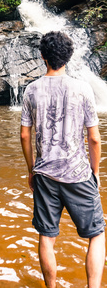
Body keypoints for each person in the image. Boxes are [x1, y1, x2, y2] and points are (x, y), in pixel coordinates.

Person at [20, 30, 106, 288]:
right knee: (97, 234)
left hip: (45, 175)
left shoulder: (31, 90)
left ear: (43, 57)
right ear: (68, 57)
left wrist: (31, 169)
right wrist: (96, 172)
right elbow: (94, 139)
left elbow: (25, 135)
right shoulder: (82, 89)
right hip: (79, 173)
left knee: (47, 236)